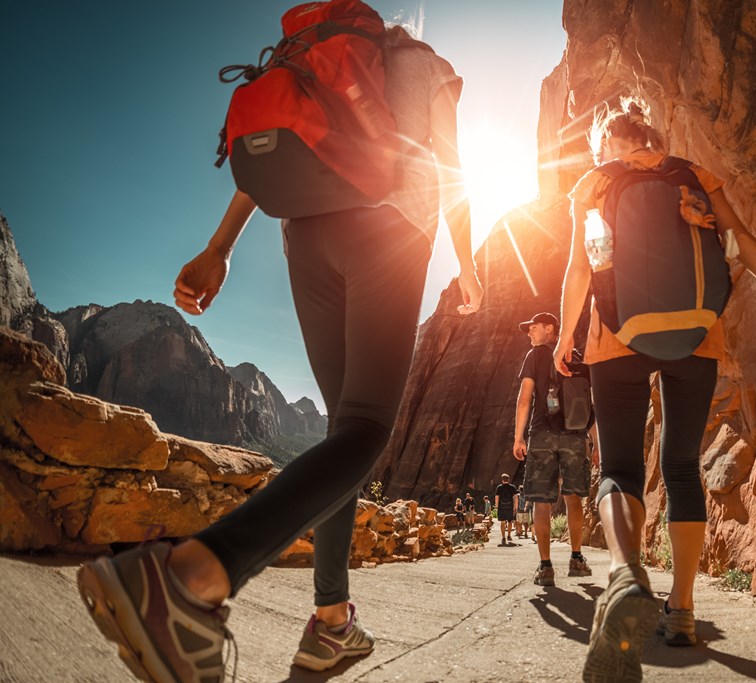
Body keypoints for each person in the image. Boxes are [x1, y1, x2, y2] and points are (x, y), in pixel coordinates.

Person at [75, 13, 483, 682]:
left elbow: (272, 155)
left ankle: (331, 621)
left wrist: (219, 248)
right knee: (367, 428)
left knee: (340, 436)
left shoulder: (306, 49)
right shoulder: (418, 57)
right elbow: (451, 168)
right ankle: (188, 577)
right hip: (388, 228)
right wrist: (467, 266)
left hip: (303, 235)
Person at [555, 98, 756, 682]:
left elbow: (581, 267)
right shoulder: (694, 176)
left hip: (616, 335)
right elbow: (742, 246)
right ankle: (683, 609)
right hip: (697, 333)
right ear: (650, 133)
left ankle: (624, 575)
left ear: (604, 143)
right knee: (683, 465)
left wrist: (567, 338)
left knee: (618, 466)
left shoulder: (594, 183)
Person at [513, 312, 592, 586]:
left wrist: (519, 437)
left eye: (533, 328)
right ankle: (577, 559)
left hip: (543, 434)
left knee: (541, 501)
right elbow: (591, 403)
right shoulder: (578, 356)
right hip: (575, 436)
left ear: (550, 328)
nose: (529, 333)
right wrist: (594, 442)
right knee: (573, 499)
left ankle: (545, 567)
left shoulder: (535, 356)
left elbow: (525, 399)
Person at [494, 473, 518, 545]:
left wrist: (497, 506)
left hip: (501, 507)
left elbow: (497, 497)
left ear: (502, 480)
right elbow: (516, 498)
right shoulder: (512, 487)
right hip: (510, 507)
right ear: (508, 479)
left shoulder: (499, 487)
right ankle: (509, 535)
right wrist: (515, 507)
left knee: (502, 522)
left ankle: (503, 537)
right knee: (510, 521)